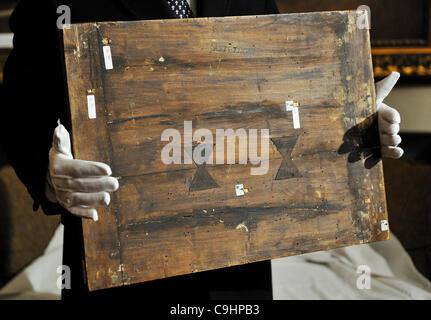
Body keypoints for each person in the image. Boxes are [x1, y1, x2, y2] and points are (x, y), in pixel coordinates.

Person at [0, 0, 403, 300]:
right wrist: (49, 175)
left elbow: (282, 95)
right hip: (118, 272)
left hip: (239, 279)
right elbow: (19, 110)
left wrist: (350, 122)